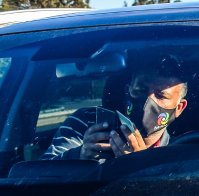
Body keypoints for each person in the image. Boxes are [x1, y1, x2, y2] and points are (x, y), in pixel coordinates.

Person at [42, 55, 189, 160]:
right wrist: (79, 155)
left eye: (161, 96)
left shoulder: (179, 154)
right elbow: (38, 175)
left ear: (179, 108)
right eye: (140, 91)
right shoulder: (84, 123)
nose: (147, 103)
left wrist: (141, 166)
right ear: (127, 91)